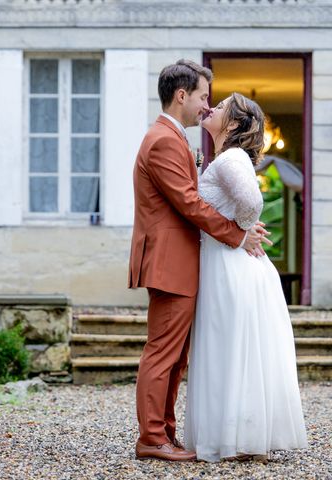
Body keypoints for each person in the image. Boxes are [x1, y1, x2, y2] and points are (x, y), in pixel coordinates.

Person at [128, 59, 270, 462]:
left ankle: (164, 434)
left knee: (174, 356)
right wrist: (238, 235)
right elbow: (189, 203)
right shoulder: (164, 140)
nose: (207, 106)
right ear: (181, 95)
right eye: (204, 97)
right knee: (162, 352)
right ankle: (152, 439)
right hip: (169, 261)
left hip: (182, 261)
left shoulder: (171, 138)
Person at [184, 92, 308, 462]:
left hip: (230, 264)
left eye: (221, 107)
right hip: (229, 260)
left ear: (233, 125)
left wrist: (241, 230)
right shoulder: (225, 160)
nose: (213, 108)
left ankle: (236, 439)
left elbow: (251, 201)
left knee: (229, 348)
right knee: (233, 349)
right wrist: (241, 230)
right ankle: (240, 437)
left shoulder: (231, 159)